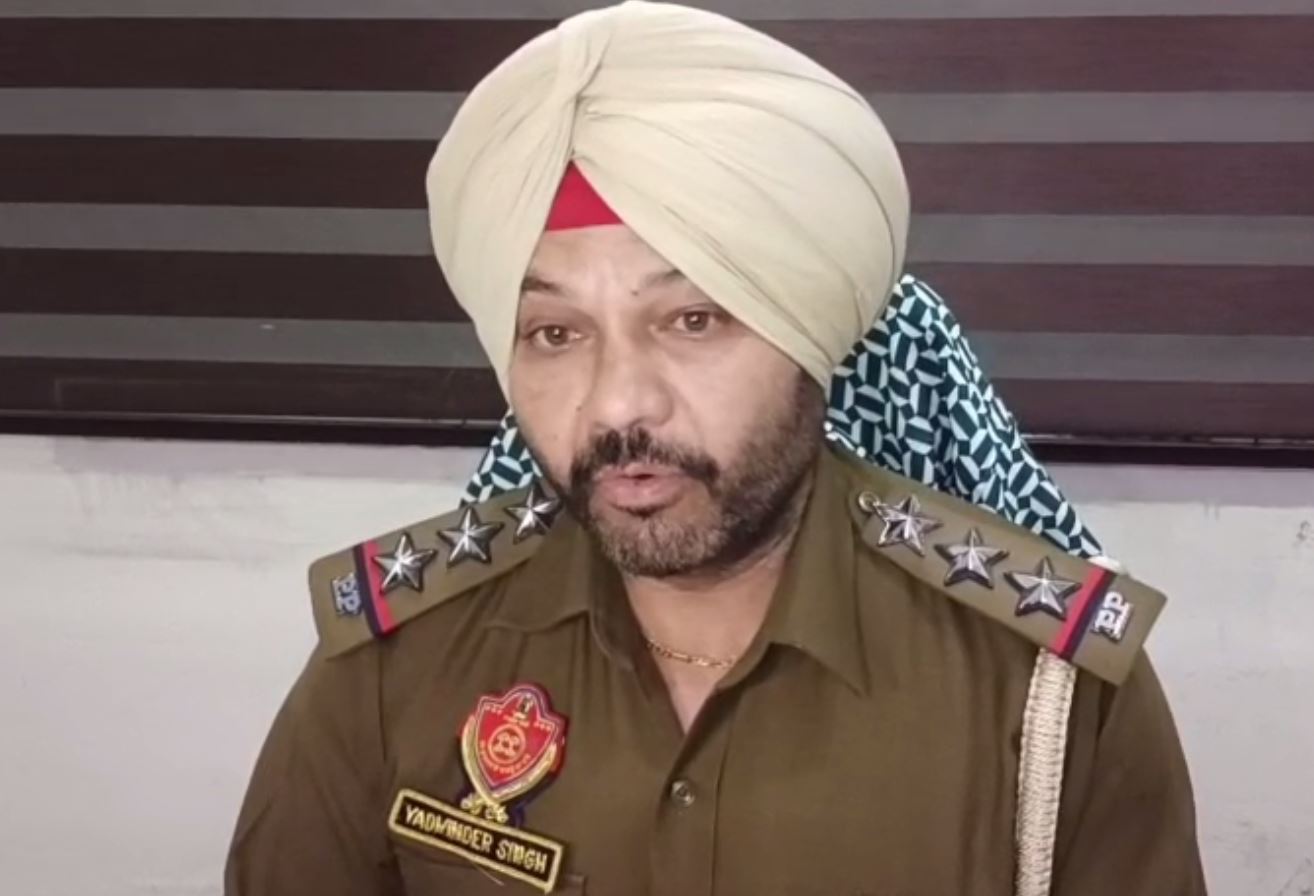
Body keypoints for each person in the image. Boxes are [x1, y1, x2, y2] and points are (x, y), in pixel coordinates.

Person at [225, 3, 1206, 894]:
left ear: (810, 338)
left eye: (693, 319)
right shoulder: (396, 662)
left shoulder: (1045, 694)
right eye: (555, 333)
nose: (619, 402)